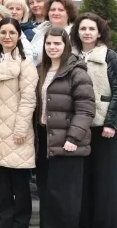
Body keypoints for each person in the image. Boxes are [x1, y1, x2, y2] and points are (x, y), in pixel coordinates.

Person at [0, 18, 37, 228]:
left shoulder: (25, 63)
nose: (7, 37)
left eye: (12, 32)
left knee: (19, 180)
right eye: (3, 32)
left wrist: (21, 129)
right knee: (2, 181)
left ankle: (21, 222)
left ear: (19, 35)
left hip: (16, 130)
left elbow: (28, 100)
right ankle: (4, 221)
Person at [35, 26, 94, 228]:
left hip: (68, 142)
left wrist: (73, 137)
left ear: (66, 45)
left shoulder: (77, 72)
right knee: (47, 193)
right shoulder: (41, 70)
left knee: (65, 197)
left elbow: (86, 109)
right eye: (48, 43)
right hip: (45, 140)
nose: (52, 47)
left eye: (57, 43)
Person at [71, 13, 117, 228]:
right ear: (77, 32)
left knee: (105, 178)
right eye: (83, 28)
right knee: (83, 178)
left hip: (103, 127)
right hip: (78, 127)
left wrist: (111, 122)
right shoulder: (70, 56)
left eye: (91, 29)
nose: (87, 32)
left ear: (99, 33)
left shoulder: (109, 56)